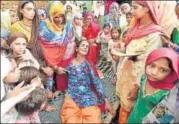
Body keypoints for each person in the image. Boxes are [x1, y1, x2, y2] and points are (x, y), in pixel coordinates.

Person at [112, 1, 164, 123]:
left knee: (129, 112)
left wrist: (137, 87)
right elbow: (128, 48)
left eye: (135, 7)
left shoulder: (155, 35)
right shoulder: (135, 27)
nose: (131, 11)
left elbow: (151, 66)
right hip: (125, 74)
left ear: (147, 9)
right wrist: (117, 52)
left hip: (136, 81)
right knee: (122, 105)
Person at [59, 40, 115, 123]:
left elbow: (97, 83)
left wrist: (106, 101)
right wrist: (56, 70)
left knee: (94, 120)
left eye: (87, 46)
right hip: (72, 96)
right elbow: (57, 70)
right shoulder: (69, 63)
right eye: (83, 45)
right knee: (71, 121)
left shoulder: (89, 65)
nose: (85, 47)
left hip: (87, 97)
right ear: (77, 48)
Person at [127, 48, 179, 123]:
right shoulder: (144, 78)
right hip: (134, 118)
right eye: (152, 66)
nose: (154, 72)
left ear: (172, 74)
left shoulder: (168, 95)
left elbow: (159, 117)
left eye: (163, 70)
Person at [39, 1, 74, 91]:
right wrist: (54, 66)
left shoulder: (67, 25)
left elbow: (70, 41)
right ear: (50, 15)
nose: (59, 20)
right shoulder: (44, 27)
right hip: (48, 60)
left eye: (61, 16)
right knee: (49, 90)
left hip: (65, 56)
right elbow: (44, 48)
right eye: (56, 17)